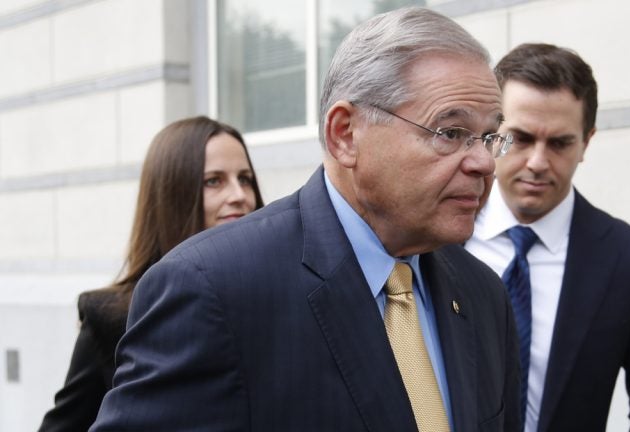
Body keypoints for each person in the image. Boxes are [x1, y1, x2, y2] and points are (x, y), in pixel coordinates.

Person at [90, 7, 520, 432]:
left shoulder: (482, 293)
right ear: (345, 135)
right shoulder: (212, 289)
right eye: (450, 133)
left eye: (490, 137)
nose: (483, 162)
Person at [465, 42, 630, 431]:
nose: (537, 162)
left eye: (559, 143)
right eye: (520, 138)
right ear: (492, 134)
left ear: (586, 141)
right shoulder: (435, 240)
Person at [38, 116, 264, 432]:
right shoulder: (114, 319)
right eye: (214, 181)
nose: (239, 195)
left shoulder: (276, 294)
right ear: (173, 195)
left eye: (245, 179)